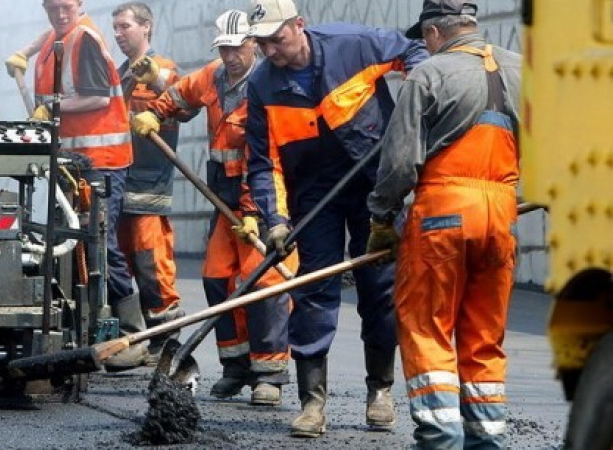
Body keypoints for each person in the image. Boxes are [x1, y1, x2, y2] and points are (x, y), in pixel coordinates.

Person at [243, 0, 428, 437]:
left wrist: (417, 94)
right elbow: (261, 161)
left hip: (374, 190)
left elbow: (414, 52)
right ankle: (313, 403)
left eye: (278, 39)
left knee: (380, 293)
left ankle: (380, 391)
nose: (271, 51)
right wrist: (276, 219)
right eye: (263, 43)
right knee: (313, 292)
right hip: (313, 197)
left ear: (299, 25)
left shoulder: (354, 45)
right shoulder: (263, 85)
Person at [365, 1, 521, 448]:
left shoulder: (429, 74)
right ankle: (485, 438)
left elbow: (399, 164)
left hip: (443, 214)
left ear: (434, 32)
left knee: (428, 326)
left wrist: (381, 216)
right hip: (502, 215)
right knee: (484, 334)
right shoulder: (521, 69)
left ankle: (441, 438)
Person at [131, 9, 299, 406]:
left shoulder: (266, 86)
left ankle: (270, 374)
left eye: (236, 48)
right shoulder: (213, 76)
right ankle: (236, 367)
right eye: (223, 49)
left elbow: (263, 159)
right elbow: (176, 96)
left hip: (261, 197)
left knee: (263, 283)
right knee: (217, 279)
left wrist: (254, 212)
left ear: (253, 44)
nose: (229, 57)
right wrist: (153, 115)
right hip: (221, 197)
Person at [5, 0, 139, 371]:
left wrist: (52, 107)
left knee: (101, 244)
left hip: (102, 161)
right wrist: (23, 53)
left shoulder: (86, 40)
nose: (59, 14)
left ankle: (129, 332)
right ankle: (87, 327)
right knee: (75, 242)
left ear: (79, 5)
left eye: (65, 7)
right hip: (75, 161)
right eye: (52, 8)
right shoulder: (59, 33)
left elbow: (97, 96)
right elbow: (47, 35)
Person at [111, 1, 186, 366]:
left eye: (125, 26)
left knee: (151, 261)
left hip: (149, 186)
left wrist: (155, 78)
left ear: (147, 27)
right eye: (116, 28)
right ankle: (137, 338)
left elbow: (185, 105)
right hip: (118, 182)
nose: (118, 34)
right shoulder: (119, 74)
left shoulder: (166, 69)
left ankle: (166, 340)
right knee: (122, 260)